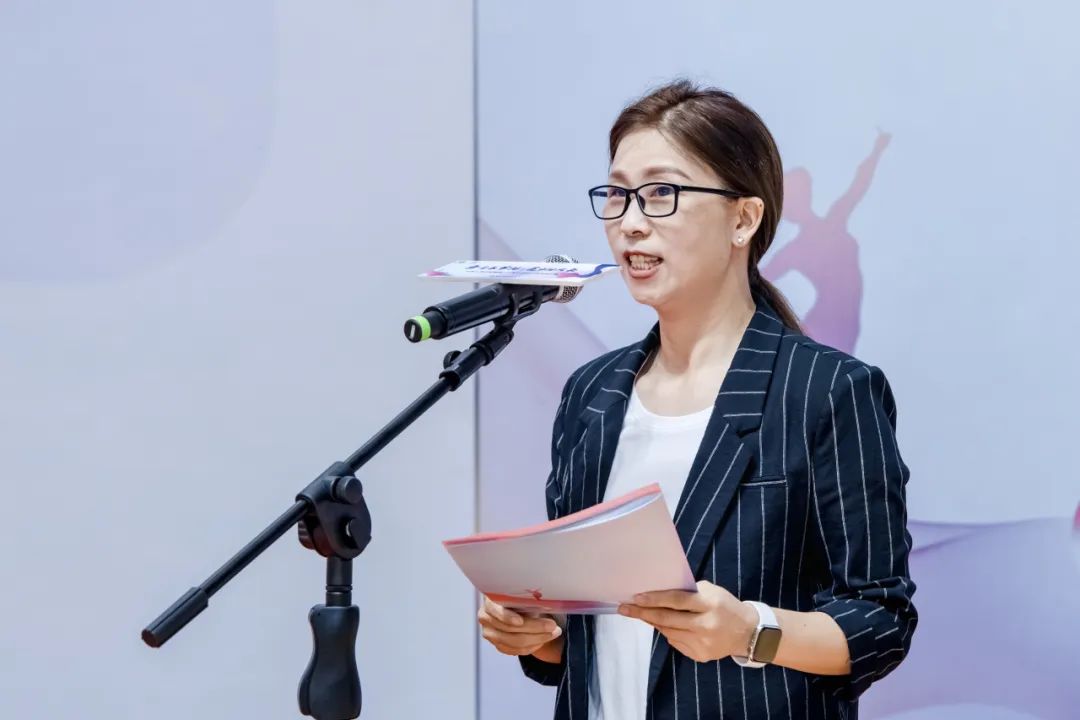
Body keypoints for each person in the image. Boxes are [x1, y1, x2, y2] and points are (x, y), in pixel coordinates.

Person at [476, 79, 917, 720]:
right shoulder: (592, 394)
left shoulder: (826, 391)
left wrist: (750, 631)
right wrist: (537, 633)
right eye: (618, 194)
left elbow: (881, 620)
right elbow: (589, 639)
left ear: (743, 219)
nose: (630, 222)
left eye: (661, 193)